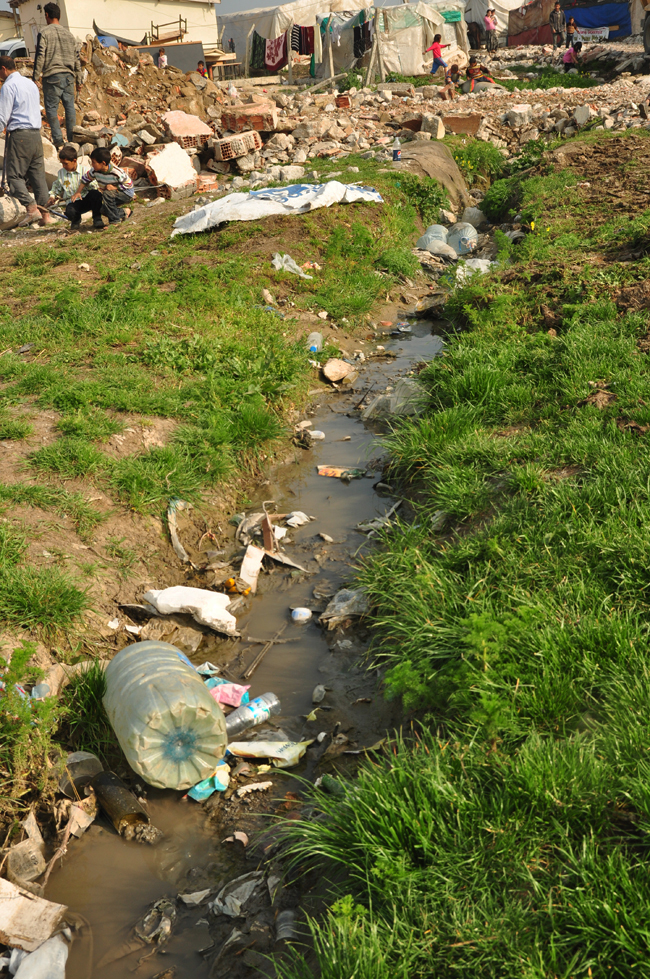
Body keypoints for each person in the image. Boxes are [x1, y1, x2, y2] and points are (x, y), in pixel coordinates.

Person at [0, 55, 52, 226]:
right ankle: (46, 216)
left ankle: (31, 209)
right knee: (37, 177)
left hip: (20, 136)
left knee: (14, 177)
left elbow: (2, 116)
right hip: (36, 135)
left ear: (3, 69)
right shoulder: (30, 84)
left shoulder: (8, 86)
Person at [32, 2, 82, 149]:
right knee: (69, 108)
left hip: (52, 76)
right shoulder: (70, 35)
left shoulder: (45, 32)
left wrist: (35, 77)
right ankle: (73, 141)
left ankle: (59, 142)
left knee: (52, 109)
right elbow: (76, 59)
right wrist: (79, 79)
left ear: (47, 15)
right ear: (59, 16)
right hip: (68, 76)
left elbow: (40, 55)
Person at [69, 146, 133, 229]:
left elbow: (129, 185)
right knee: (102, 209)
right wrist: (78, 192)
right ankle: (125, 212)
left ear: (103, 163)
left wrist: (115, 187)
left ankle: (115, 222)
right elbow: (85, 180)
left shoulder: (117, 172)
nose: (92, 164)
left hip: (125, 193)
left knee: (107, 194)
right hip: (111, 193)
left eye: (94, 162)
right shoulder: (94, 171)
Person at [47, 143, 96, 230]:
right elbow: (57, 186)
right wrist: (52, 196)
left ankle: (97, 218)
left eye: (66, 164)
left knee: (95, 196)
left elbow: (94, 185)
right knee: (70, 212)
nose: (63, 166)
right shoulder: (61, 173)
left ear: (74, 161)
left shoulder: (85, 170)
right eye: (62, 163)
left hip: (86, 199)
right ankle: (75, 221)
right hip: (73, 202)